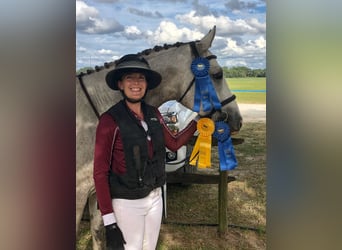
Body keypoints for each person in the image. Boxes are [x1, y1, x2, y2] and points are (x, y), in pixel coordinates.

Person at [93, 54, 198, 250]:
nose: (136, 83)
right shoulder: (109, 121)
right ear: (120, 84)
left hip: (155, 197)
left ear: (147, 84)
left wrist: (198, 122)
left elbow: (173, 144)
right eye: (129, 78)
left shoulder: (153, 113)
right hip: (126, 202)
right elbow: (100, 173)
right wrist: (109, 220)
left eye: (141, 78)